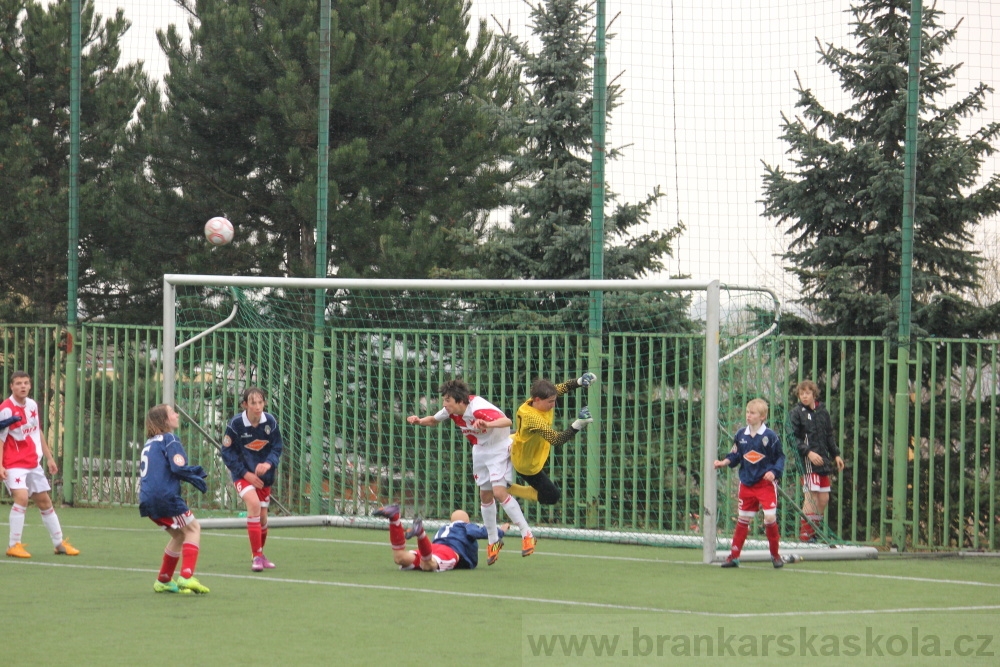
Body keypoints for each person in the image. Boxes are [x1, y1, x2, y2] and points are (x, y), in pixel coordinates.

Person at [407, 379, 534, 564]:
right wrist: (419, 420)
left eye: (447, 400)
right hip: (480, 450)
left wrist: (486, 424)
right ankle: (493, 541)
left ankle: (527, 534)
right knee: (485, 496)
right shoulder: (452, 412)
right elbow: (434, 420)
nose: (444, 404)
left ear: (459, 400)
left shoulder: (478, 408)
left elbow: (507, 421)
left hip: (499, 448)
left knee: (499, 492)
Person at [0, 371, 80, 559]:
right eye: (19, 383)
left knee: (44, 501)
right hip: (14, 463)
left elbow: (37, 431)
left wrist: (50, 458)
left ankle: (59, 543)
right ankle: (14, 545)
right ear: (12, 386)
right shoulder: (6, 409)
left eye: (26, 383)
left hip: (32, 462)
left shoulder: (32, 405)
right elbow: (1, 439)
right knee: (22, 498)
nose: (23, 386)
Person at [139, 404, 211, 594]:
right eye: (172, 412)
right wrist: (196, 475)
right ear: (164, 420)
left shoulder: (150, 442)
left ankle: (163, 579)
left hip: (147, 499)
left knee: (179, 534)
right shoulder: (170, 439)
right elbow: (178, 467)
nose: (176, 414)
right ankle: (186, 576)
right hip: (165, 497)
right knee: (194, 528)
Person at [714, 398, 786, 568]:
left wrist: (773, 472)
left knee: (769, 517)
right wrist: (724, 462)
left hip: (765, 485)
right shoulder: (741, 435)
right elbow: (736, 455)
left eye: (752, 413)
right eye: (747, 412)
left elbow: (780, 457)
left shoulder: (770, 436)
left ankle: (775, 555)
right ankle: (733, 556)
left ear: (762, 416)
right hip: (746, 484)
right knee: (743, 519)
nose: (748, 415)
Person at [508, 373, 596, 506]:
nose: (553, 405)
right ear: (537, 399)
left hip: (526, 447)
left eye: (554, 400)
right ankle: (506, 488)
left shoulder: (537, 400)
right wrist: (579, 424)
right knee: (551, 496)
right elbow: (556, 440)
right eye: (550, 402)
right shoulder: (533, 419)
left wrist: (580, 381)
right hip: (526, 463)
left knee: (546, 490)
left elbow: (562, 387)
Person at [221, 387, 284, 571]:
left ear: (264, 403)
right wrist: (245, 473)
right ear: (245, 404)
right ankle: (256, 557)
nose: (257, 406)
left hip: (264, 477)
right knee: (254, 505)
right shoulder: (236, 424)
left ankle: (261, 554)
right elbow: (226, 452)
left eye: (260, 402)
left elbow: (277, 447)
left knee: (263, 518)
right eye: (253, 402)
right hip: (243, 474)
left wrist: (268, 464)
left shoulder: (270, 422)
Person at [787, 380, 845, 542]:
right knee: (811, 497)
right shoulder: (796, 413)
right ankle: (805, 536)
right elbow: (792, 437)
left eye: (807, 393)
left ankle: (813, 532)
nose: (804, 396)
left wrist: (836, 455)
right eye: (801, 393)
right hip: (808, 462)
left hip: (823, 461)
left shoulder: (822, 412)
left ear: (814, 394)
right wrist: (808, 453)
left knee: (824, 498)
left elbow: (828, 436)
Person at [372, 504, 504, 571]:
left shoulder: (443, 528)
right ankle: (421, 533)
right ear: (467, 521)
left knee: (400, 558)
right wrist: (500, 530)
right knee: (428, 565)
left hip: (432, 547)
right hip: (450, 551)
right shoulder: (466, 526)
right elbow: (482, 532)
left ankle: (394, 519)